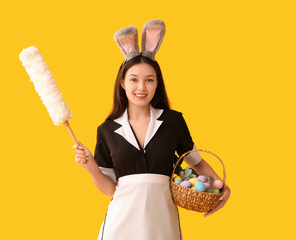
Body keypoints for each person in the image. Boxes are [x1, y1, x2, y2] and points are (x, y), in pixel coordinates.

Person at [72, 20, 230, 240]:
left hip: (162, 223)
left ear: (157, 84)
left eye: (149, 80)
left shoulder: (173, 122)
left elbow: (197, 162)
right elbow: (110, 189)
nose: (141, 87)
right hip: (121, 224)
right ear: (122, 83)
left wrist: (223, 188)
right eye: (134, 80)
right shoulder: (106, 130)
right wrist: (90, 167)